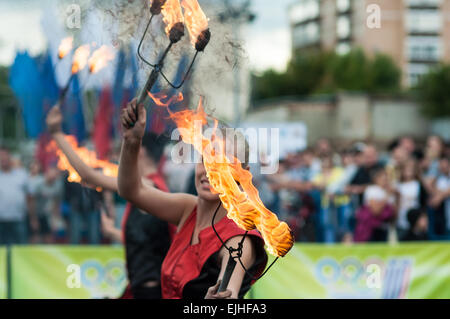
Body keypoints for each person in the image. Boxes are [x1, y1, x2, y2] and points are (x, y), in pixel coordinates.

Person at [118, 99, 268, 299]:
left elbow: (228, 292)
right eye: (206, 160)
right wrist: (132, 141)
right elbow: (131, 190)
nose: (210, 172)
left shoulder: (239, 239)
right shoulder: (188, 209)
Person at [46, 105, 172, 299]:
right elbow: (148, 243)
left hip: (150, 292)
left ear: (141, 151)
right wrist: (114, 232)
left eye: (131, 146)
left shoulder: (147, 186)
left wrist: (56, 134)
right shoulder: (154, 188)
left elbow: (88, 175)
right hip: (142, 289)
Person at [353, 168, 397, 242]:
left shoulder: (388, 191)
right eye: (383, 179)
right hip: (371, 229)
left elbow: (394, 212)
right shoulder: (372, 190)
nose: (385, 181)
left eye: (386, 179)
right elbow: (375, 211)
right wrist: (387, 196)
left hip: (384, 227)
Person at [0, 147, 29, 244]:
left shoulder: (22, 174)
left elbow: (30, 196)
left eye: (4, 155)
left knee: (21, 250)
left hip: (18, 218)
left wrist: (33, 218)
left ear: (9, 157)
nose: (2, 158)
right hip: (1, 220)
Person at [28, 166, 63, 244]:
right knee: (35, 237)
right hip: (37, 213)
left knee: (49, 237)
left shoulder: (57, 186)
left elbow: (57, 203)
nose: (53, 177)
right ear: (46, 174)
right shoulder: (39, 185)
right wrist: (33, 219)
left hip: (48, 215)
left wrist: (56, 219)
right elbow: (32, 202)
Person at [395, 159, 428, 239]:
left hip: (416, 221)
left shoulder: (418, 185)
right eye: (406, 169)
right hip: (401, 220)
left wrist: (422, 218)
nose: (408, 171)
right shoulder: (397, 185)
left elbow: (423, 202)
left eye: (411, 169)